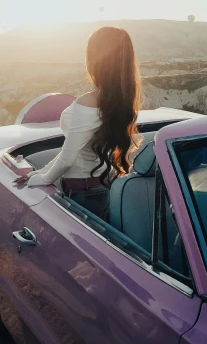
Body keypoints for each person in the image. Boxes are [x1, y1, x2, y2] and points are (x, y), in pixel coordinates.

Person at [13, 26, 141, 221]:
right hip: (99, 189)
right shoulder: (118, 100)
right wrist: (39, 172)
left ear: (96, 58)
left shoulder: (89, 102)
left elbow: (68, 158)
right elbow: (73, 150)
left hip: (82, 193)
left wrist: (40, 180)